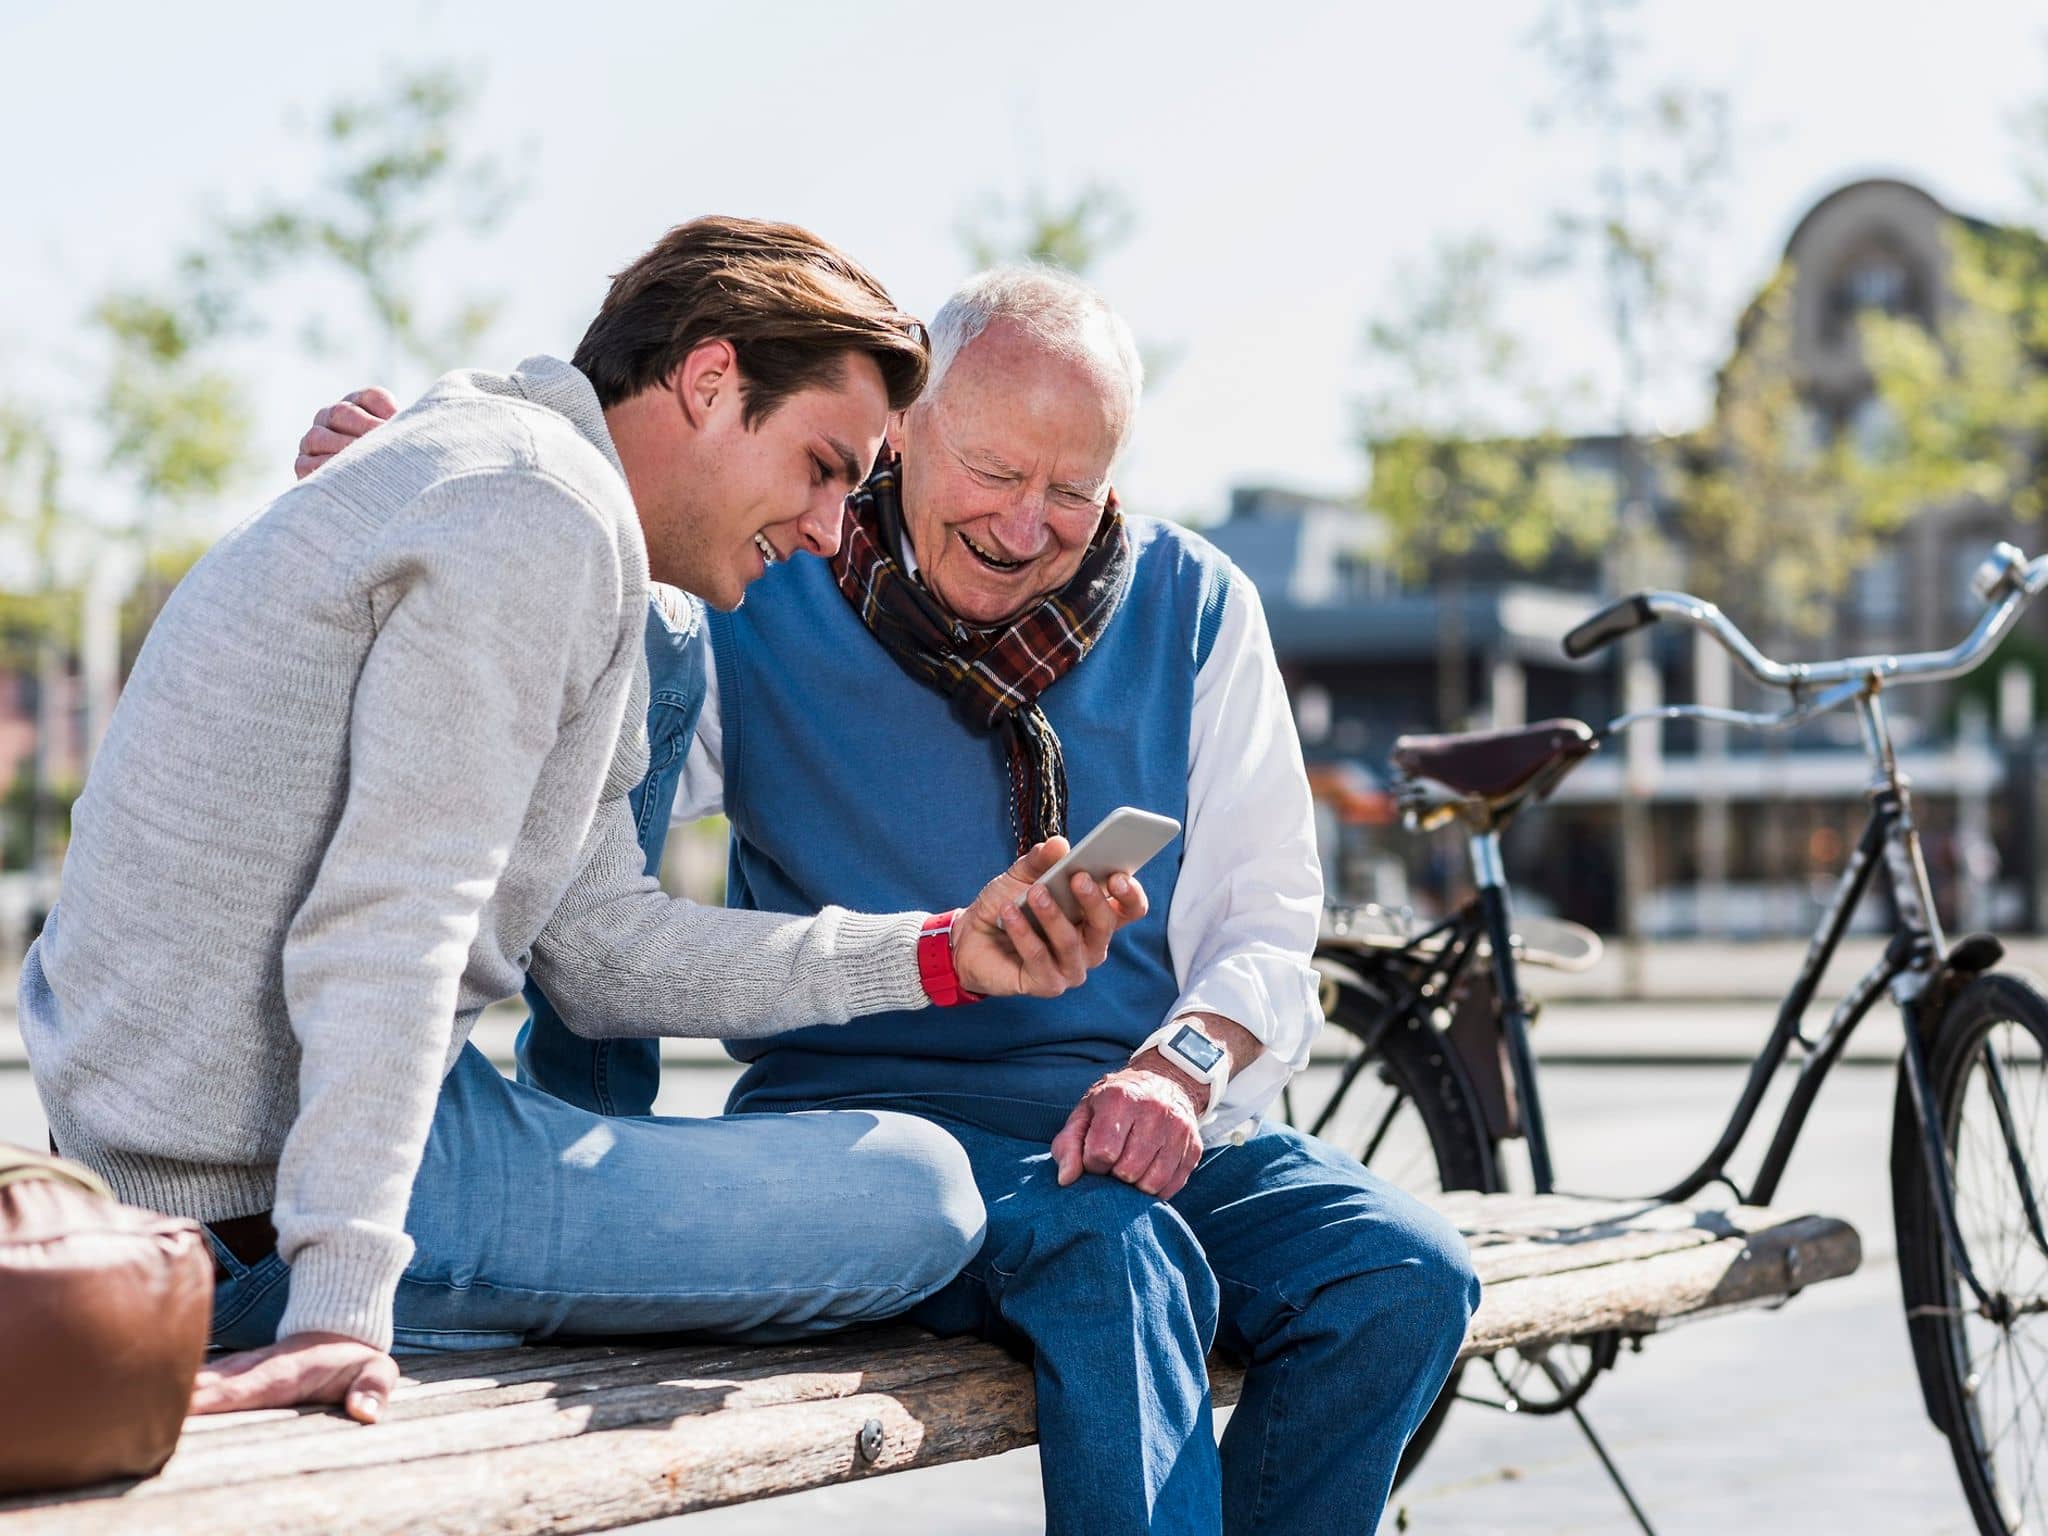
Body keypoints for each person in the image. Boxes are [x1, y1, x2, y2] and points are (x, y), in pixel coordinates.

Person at [304, 266, 1475, 1534]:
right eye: (993, 471)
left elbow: (1262, 925)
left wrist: (1175, 1073)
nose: (1027, 524)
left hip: (1132, 1119)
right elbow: (577, 761)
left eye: (1071, 490)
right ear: (904, 427)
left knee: (1405, 1278)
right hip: (862, 1134)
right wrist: (427, 495)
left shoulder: (1197, 608)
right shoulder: (755, 580)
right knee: (1113, 1258)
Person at [25, 218, 1144, 1430]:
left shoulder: (500, 463)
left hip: (217, 1158)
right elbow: (393, 916)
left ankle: (578, 1160)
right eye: (824, 466)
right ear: (710, 382)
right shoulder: (540, 519)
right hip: (264, 1214)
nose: (831, 529)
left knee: (668, 643)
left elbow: (603, 954)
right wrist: (341, 1299)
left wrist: (938, 954)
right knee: (921, 1192)